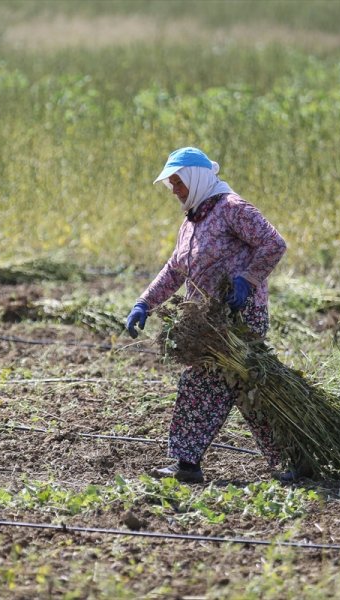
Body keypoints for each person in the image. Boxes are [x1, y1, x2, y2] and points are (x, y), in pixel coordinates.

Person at [125, 147, 301, 484]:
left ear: (197, 178)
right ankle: (293, 458)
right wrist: (144, 303)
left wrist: (247, 279)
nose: (175, 191)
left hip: (238, 318)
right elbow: (175, 270)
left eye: (179, 183)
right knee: (245, 389)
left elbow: (273, 244)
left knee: (215, 385)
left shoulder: (232, 208)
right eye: (172, 185)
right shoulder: (192, 221)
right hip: (209, 323)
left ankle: (189, 464)